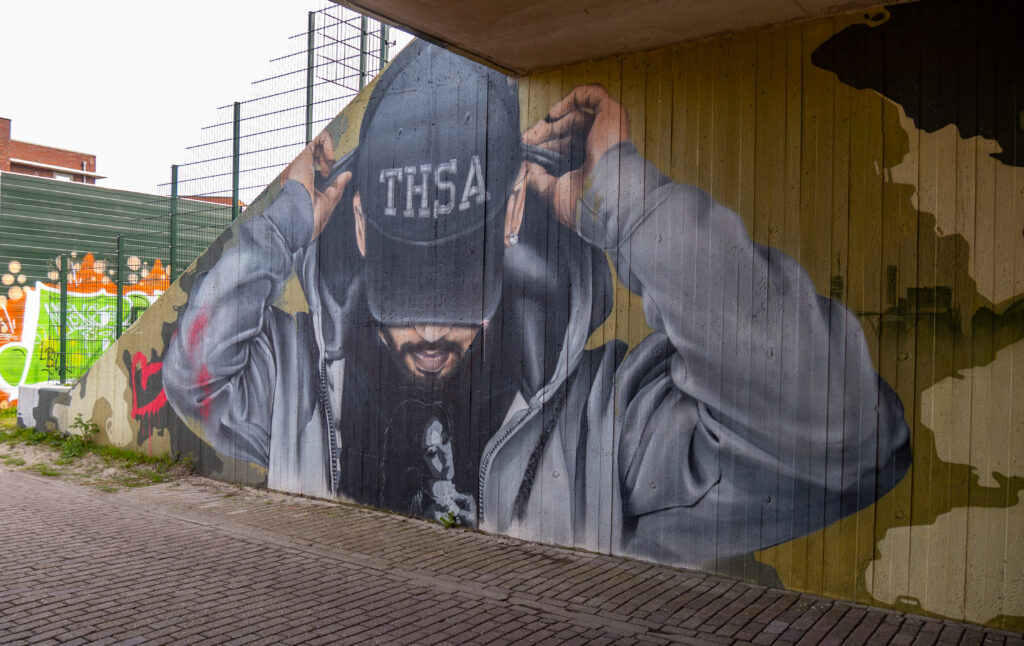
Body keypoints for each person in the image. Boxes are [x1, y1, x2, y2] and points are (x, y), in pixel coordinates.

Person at [164, 41, 911, 567]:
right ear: (358, 223)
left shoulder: (609, 426)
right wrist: (282, 225)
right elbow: (196, 377)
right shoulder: (298, 380)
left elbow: (839, 441)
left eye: (457, 291)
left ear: (513, 212)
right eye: (409, 294)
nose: (429, 326)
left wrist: (627, 206)